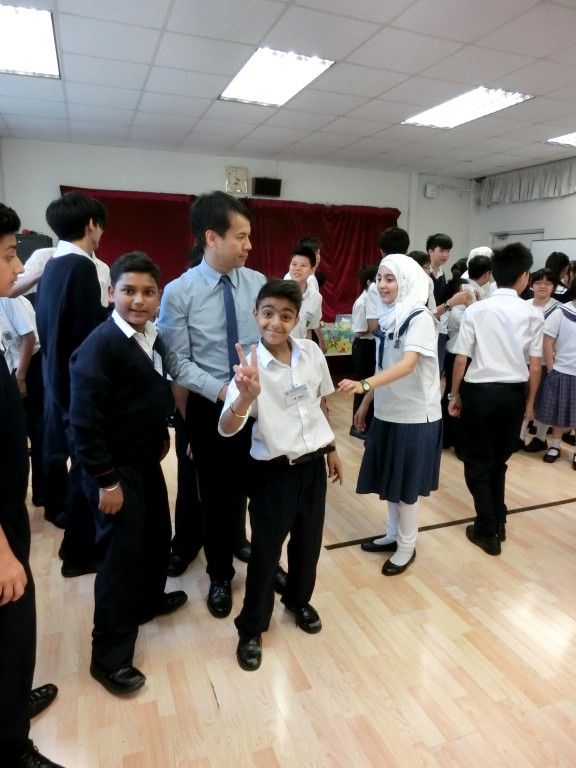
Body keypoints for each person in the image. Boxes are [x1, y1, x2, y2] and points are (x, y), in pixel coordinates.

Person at [69, 252, 187, 695]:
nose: (139, 300)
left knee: (156, 536)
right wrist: (106, 480)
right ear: (111, 293)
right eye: (128, 291)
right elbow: (84, 422)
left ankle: (148, 601)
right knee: (120, 559)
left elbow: (151, 392)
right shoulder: (102, 346)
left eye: (148, 292)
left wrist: (160, 434)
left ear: (158, 296)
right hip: (115, 470)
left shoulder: (151, 337)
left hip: (144, 461)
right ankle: (109, 658)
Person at [218, 278, 343, 671]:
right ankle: (251, 627)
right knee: (267, 552)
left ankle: (298, 601)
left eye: (286, 316)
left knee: (308, 544)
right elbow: (226, 427)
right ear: (256, 314)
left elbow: (318, 405)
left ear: (297, 319)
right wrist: (244, 397)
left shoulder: (311, 353)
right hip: (273, 474)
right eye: (268, 313)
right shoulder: (251, 366)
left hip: (313, 468)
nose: (276, 323)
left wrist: (331, 448)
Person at [157, 191, 266, 620]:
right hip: (210, 404)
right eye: (241, 236)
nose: (249, 245)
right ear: (211, 237)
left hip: (258, 402)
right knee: (215, 495)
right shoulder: (179, 292)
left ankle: (258, 558)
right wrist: (224, 393)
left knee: (259, 488)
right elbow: (176, 361)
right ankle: (220, 575)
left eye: (249, 236)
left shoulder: (257, 284)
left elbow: (272, 343)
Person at [0, 203, 63, 768]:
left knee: (14, 633)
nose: (18, 266)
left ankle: (12, 703)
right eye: (6, 255)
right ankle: (12, 746)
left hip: (9, 507)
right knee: (12, 623)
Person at [338, 254, 442, 576]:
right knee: (390, 478)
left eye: (390, 279)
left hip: (415, 417)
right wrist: (367, 402)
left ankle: (407, 547)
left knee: (406, 487)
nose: (382, 285)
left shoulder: (420, 317)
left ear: (407, 281)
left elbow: (408, 364)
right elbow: (384, 366)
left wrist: (363, 385)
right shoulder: (388, 317)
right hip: (388, 411)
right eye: (380, 279)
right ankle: (393, 534)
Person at [448, 243, 544, 554]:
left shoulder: (477, 310)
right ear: (524, 276)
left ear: (493, 274)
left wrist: (453, 394)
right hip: (513, 395)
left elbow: (461, 358)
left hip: (479, 393)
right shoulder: (533, 313)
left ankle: (487, 529)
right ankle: (498, 519)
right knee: (499, 460)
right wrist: (530, 403)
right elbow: (535, 365)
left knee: (478, 461)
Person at [35, 191, 109, 576]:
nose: (101, 235)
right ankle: (78, 553)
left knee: (80, 465)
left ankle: (76, 547)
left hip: (56, 380)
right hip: (78, 388)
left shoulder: (52, 265)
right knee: (88, 469)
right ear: (91, 224)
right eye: (100, 227)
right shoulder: (82, 268)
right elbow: (87, 340)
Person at [0, 294, 45, 507]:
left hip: (29, 367)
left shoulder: (8, 297)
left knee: (37, 432)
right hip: (13, 367)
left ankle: (41, 492)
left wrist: (20, 378)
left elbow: (29, 337)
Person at [535, 279, 576, 468]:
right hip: (562, 370)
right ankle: (555, 446)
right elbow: (547, 341)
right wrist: (551, 368)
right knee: (560, 411)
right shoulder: (562, 311)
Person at [521, 268, 559, 453]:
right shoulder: (523, 305)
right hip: (524, 360)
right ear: (531, 284)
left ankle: (540, 438)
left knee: (544, 401)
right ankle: (519, 436)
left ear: (554, 286)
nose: (542, 286)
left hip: (548, 362)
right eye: (538, 282)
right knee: (524, 398)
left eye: (548, 283)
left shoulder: (559, 308)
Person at [350, 265, 378, 439]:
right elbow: (359, 331)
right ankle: (357, 427)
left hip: (372, 345)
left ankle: (366, 424)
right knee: (363, 386)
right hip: (364, 347)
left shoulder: (374, 300)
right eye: (378, 279)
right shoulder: (362, 302)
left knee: (372, 384)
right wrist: (375, 326)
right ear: (369, 283)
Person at [287, 244, 327, 352]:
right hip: (278, 350)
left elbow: (309, 328)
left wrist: (308, 352)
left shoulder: (316, 298)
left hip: (299, 350)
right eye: (294, 264)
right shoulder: (278, 294)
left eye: (303, 265)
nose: (297, 269)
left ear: (312, 270)